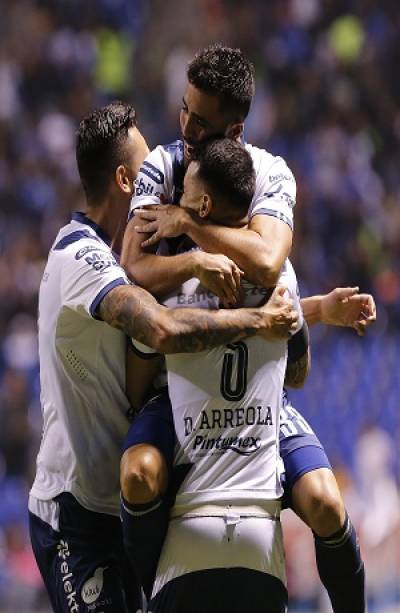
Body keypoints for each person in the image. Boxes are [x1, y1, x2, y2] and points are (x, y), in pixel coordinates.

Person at [120, 45, 375, 612]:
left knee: (328, 506)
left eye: (202, 121)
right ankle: (143, 588)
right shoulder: (161, 166)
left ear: (235, 129)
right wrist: (193, 261)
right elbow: (133, 269)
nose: (186, 126)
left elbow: (264, 264)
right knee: (139, 473)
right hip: (178, 375)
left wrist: (186, 225)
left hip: (254, 390)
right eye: (184, 109)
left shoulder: (270, 173)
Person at [28, 101, 299, 613]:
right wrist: (256, 320)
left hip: (133, 508)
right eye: (148, 163)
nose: (161, 168)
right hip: (77, 511)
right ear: (128, 181)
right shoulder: (79, 256)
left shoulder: (134, 263)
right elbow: (163, 330)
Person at [127, 139, 310, 612]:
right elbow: (299, 372)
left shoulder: (170, 288)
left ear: (203, 205)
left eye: (183, 193)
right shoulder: (281, 281)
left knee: (137, 472)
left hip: (188, 528)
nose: (174, 199)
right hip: (261, 536)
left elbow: (139, 371)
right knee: (325, 503)